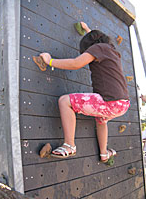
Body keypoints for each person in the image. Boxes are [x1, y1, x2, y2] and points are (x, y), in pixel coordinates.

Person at [33, 22, 130, 163]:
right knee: (101, 121)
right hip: (122, 105)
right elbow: (96, 40)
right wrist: (87, 30)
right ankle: (104, 153)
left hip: (109, 102)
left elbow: (75, 63)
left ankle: (69, 145)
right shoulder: (111, 50)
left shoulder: (98, 48)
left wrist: (50, 61)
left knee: (65, 101)